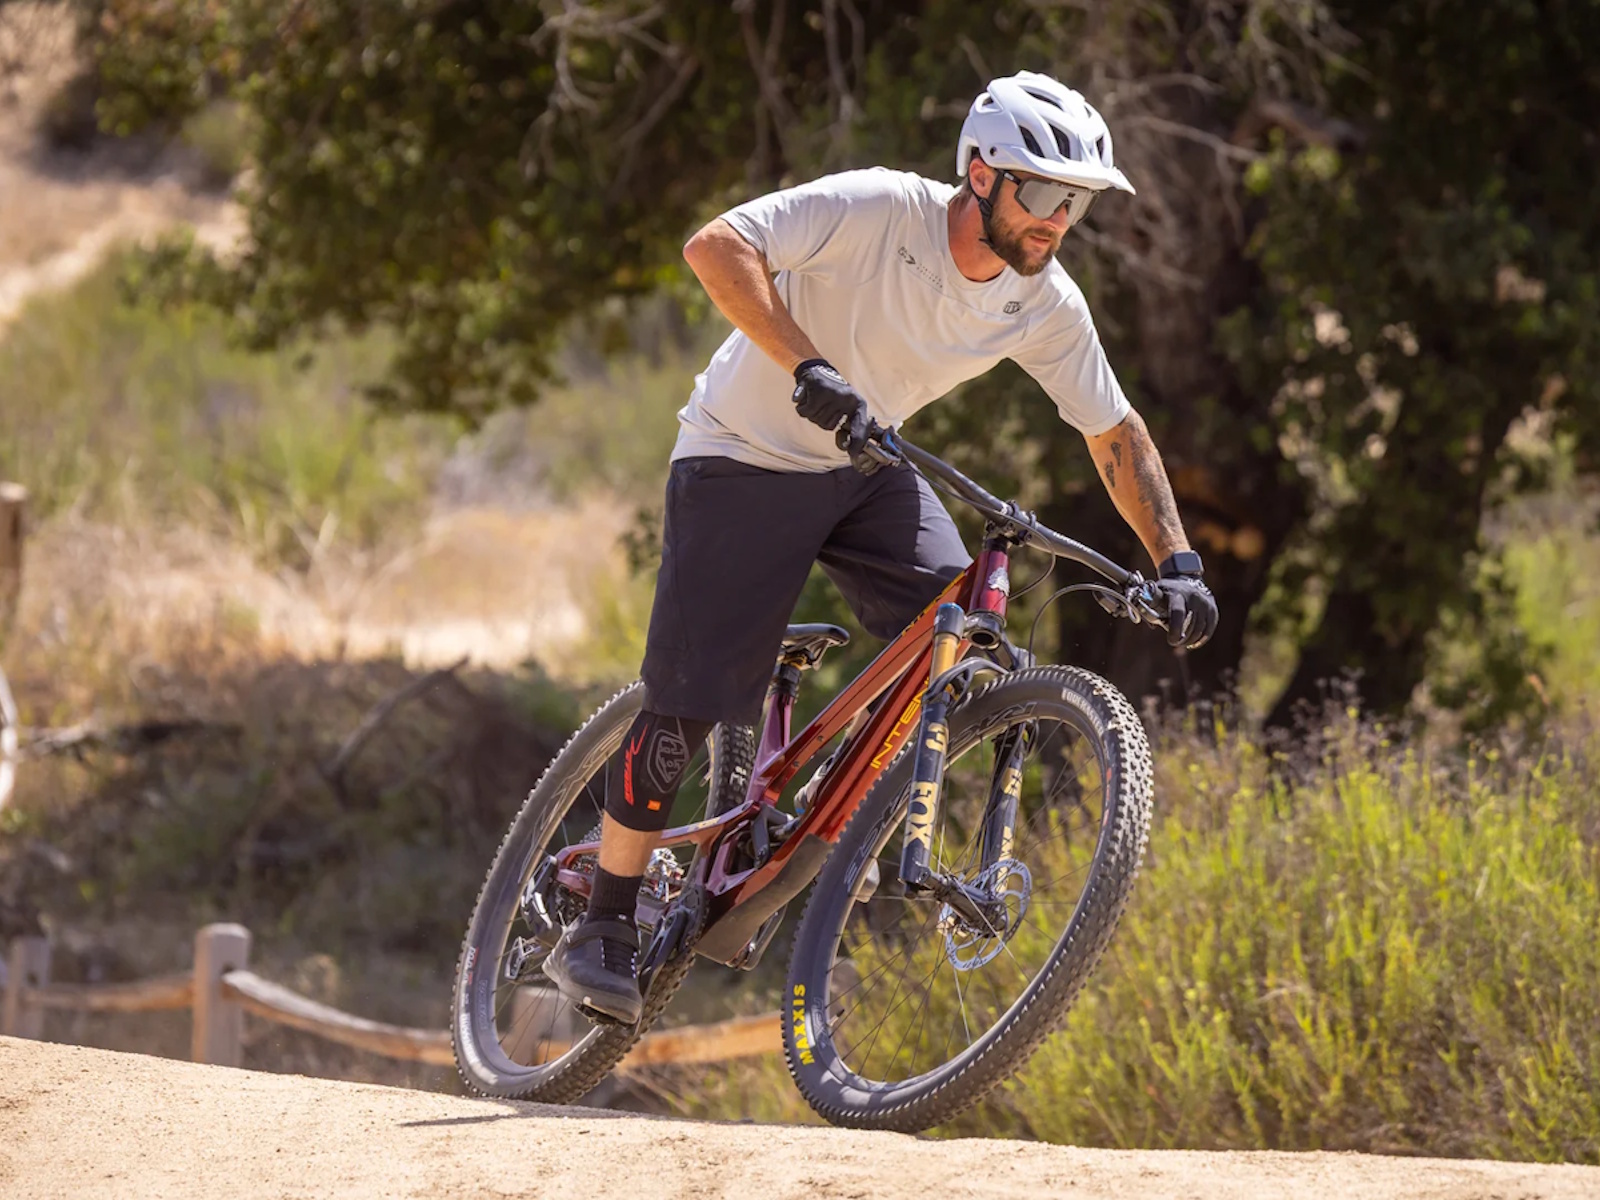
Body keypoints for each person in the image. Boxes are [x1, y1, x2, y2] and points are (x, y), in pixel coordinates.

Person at [543, 71, 1217, 1023]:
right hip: (742, 456)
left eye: (1077, 203)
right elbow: (716, 246)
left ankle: (834, 806)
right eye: (1042, 192)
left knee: (960, 640)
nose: (1057, 220)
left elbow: (1113, 433)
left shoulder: (1044, 301)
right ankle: (603, 922)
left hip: (864, 467)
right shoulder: (878, 209)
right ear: (980, 175)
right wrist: (807, 366)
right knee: (690, 701)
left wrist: (1176, 562)